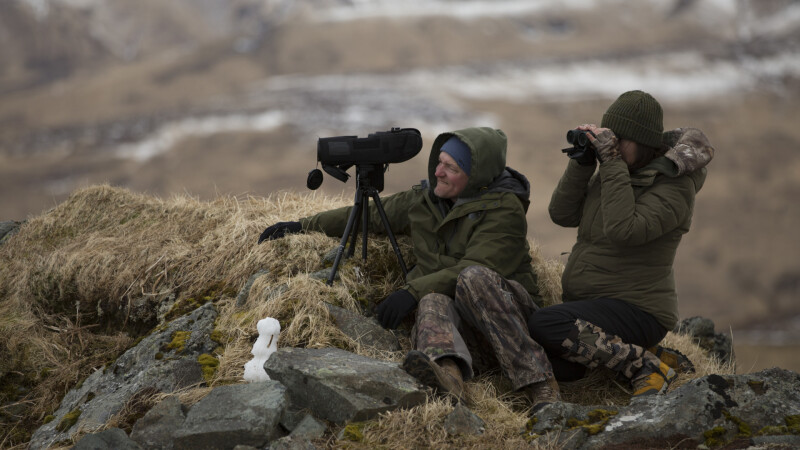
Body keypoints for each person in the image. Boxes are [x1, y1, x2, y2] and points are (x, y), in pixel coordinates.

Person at [258, 127, 560, 406]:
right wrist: (302, 225)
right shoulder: (425, 200)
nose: (438, 172)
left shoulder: (504, 208)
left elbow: (477, 265)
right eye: (439, 162)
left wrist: (411, 291)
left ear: (476, 176)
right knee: (433, 299)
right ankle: (448, 377)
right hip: (472, 336)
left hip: (512, 324)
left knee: (473, 278)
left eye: (451, 168)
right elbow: (368, 214)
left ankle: (540, 383)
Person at [528, 90, 714, 397]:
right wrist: (582, 164)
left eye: (619, 139)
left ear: (642, 142)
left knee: (544, 324)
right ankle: (642, 352)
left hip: (639, 310)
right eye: (609, 137)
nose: (611, 144)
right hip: (597, 303)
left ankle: (645, 366)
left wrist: (611, 161)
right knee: (553, 364)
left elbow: (623, 230)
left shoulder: (674, 187)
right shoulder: (618, 171)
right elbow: (562, 214)